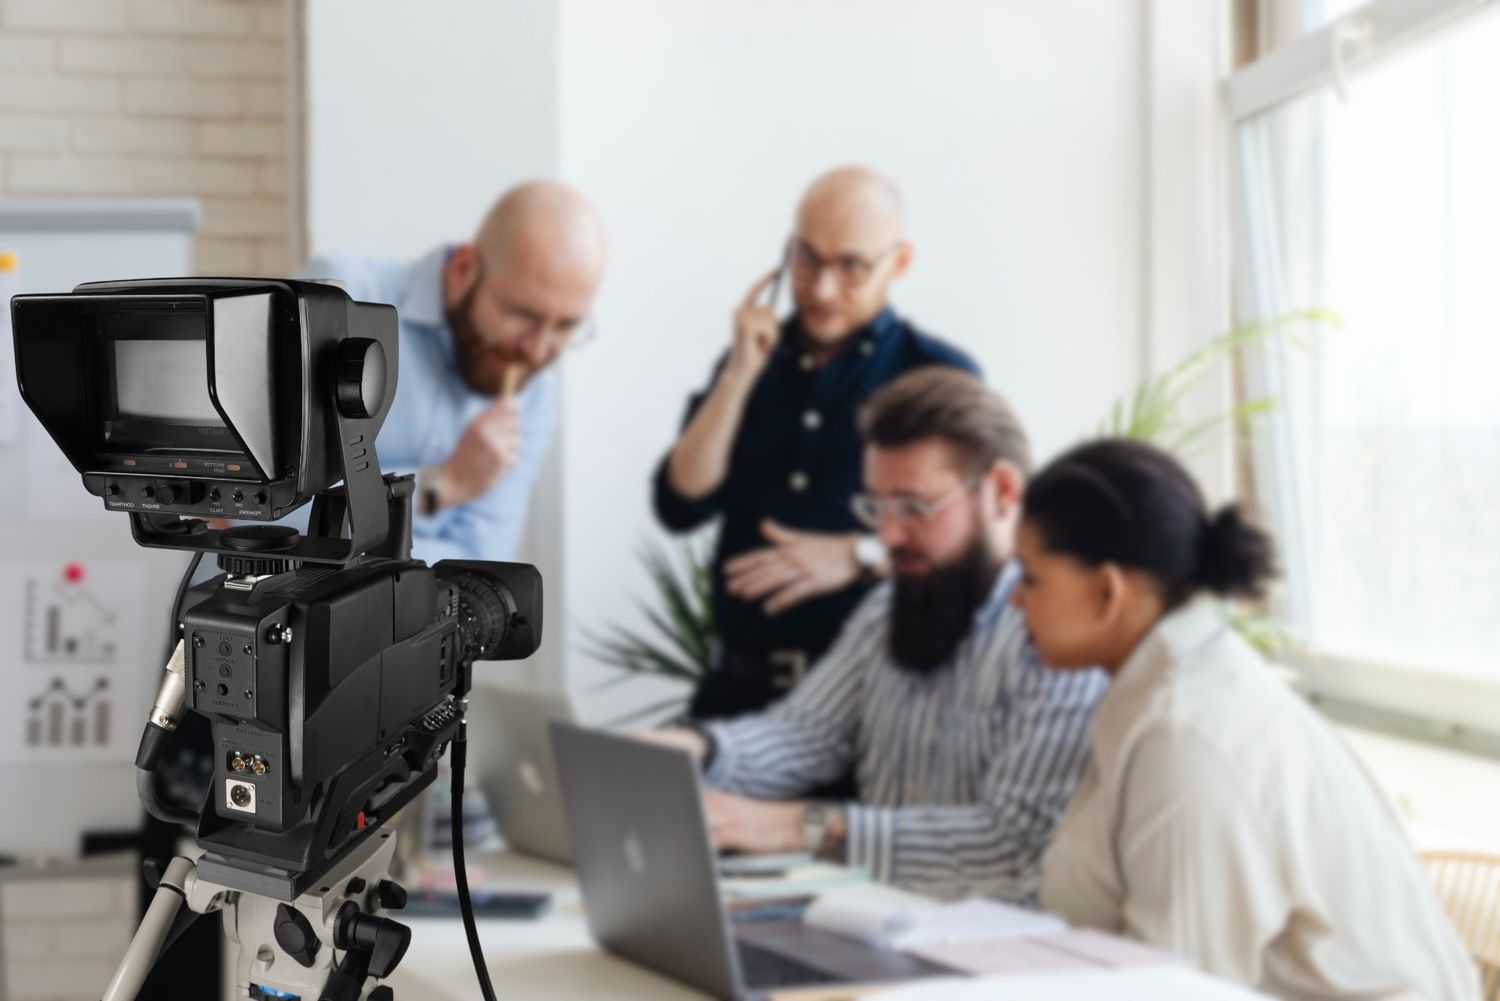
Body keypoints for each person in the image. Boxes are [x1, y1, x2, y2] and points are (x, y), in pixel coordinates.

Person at [1010, 439, 1478, 999]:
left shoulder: (1185, 736)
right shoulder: (1172, 691)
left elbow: (1176, 990)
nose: (1015, 600)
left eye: (1031, 579)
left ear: (1107, 591)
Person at [643, 369, 1105, 902]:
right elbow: (804, 735)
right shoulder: (888, 605)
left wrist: (789, 827)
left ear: (1002, 491)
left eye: (913, 507)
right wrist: (687, 749)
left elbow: (1009, 842)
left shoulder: (1056, 634)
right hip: (872, 922)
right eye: (876, 507)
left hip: (988, 960)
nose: (886, 535)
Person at [654, 166, 980, 720]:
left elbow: (972, 544)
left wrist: (861, 554)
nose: (822, 288)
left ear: (899, 263)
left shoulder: (938, 376)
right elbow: (679, 504)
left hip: (875, 704)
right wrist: (738, 374)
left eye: (850, 266)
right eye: (805, 259)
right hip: (737, 695)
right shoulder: (752, 358)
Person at [302, 180, 606, 563]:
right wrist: (444, 488)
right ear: (463, 269)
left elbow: (479, 567)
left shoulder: (535, 395)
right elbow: (260, 522)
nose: (537, 350)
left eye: (565, 326)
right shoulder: (346, 296)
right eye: (522, 314)